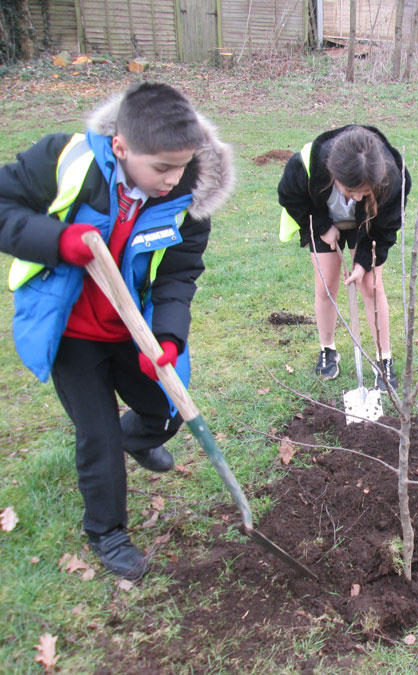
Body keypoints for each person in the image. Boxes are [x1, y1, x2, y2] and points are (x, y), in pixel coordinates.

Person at [0, 82, 234, 579]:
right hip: (72, 333)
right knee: (97, 437)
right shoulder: (66, 161)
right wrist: (59, 240)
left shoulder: (186, 203)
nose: (173, 179)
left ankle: (137, 438)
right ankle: (107, 532)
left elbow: (177, 275)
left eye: (182, 165)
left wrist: (168, 339)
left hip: (132, 331)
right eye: (161, 168)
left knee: (166, 411)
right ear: (121, 147)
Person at [277, 125, 411, 391]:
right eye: (352, 191)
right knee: (326, 285)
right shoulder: (305, 166)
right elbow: (289, 197)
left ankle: (383, 359)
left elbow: (386, 228)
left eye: (365, 191)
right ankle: (328, 349)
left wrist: (363, 261)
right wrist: (323, 226)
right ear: (334, 175)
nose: (359, 197)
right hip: (322, 218)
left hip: (369, 226)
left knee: (371, 286)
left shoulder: (392, 178)